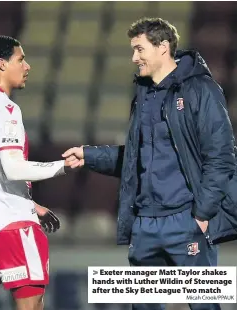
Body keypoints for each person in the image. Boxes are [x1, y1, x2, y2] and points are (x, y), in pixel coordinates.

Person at [63, 18, 236, 310]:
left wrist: (202, 214)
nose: (134, 58)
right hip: (145, 224)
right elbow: (136, 157)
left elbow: (220, 157)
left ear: (163, 47)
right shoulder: (143, 94)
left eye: (139, 49)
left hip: (186, 219)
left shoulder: (201, 90)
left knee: (205, 306)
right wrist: (89, 155)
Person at [0, 35, 71, 310]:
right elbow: (12, 167)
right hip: (12, 224)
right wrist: (63, 166)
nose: (27, 66)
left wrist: (31, 204)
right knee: (30, 304)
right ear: (2, 64)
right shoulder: (7, 109)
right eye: (21, 59)